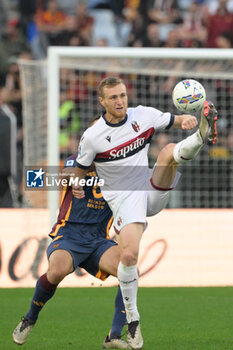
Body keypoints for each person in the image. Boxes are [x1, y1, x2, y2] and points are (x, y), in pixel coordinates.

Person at [73, 76, 218, 349]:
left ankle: (202, 135)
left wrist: (188, 121)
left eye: (123, 95)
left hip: (148, 188)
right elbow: (79, 170)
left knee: (167, 152)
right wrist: (78, 187)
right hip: (124, 199)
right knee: (128, 255)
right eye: (113, 97)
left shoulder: (144, 115)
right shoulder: (92, 136)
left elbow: (175, 120)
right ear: (102, 102)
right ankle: (133, 321)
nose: (120, 101)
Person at [12, 153, 130, 349]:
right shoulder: (79, 160)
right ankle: (30, 319)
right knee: (57, 271)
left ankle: (114, 335)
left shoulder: (120, 169)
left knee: (129, 272)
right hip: (69, 235)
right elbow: (66, 173)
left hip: (98, 241)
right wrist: (77, 177)